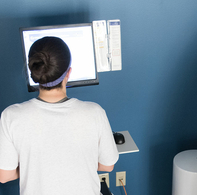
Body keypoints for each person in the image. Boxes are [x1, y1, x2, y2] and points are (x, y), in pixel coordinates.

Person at [0, 37, 119, 194]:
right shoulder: (95, 113)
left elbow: (4, 176)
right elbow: (107, 165)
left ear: (34, 72)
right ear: (68, 73)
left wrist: (37, 166)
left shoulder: (11, 116)